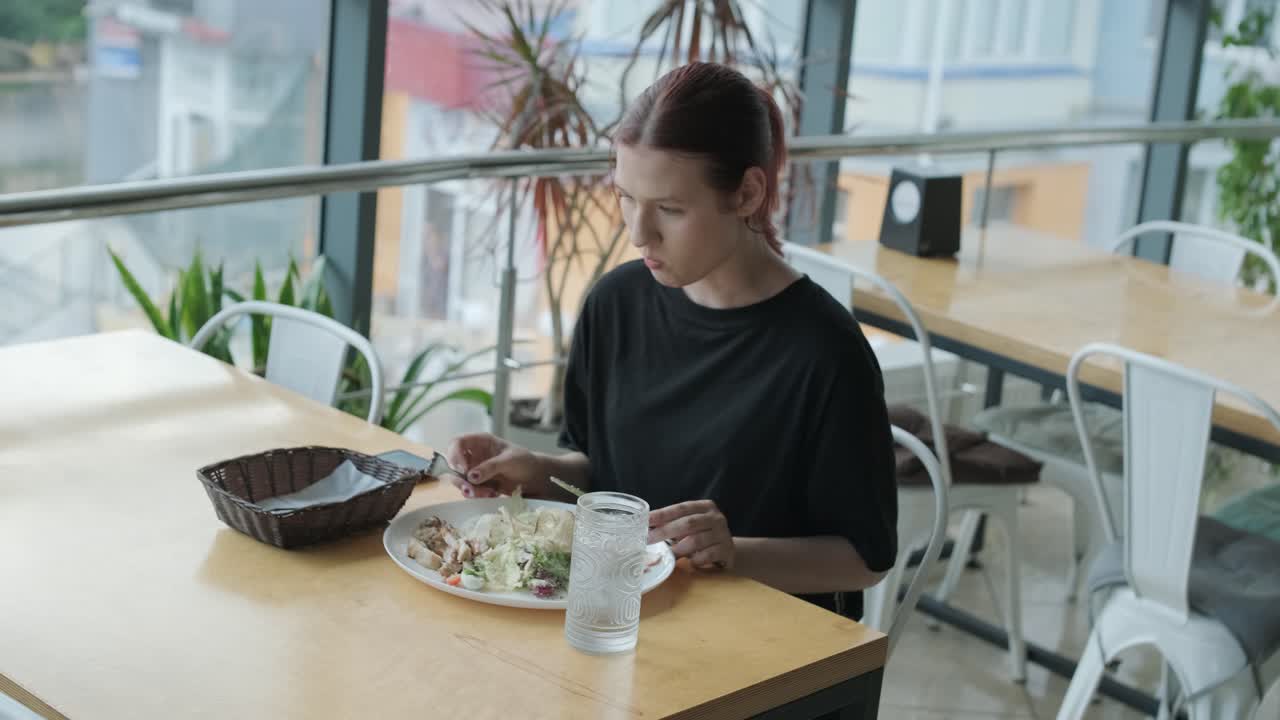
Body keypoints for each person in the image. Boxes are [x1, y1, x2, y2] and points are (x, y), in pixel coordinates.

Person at [445, 61, 897, 619]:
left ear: (748, 193)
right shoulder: (615, 303)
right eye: (626, 198)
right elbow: (602, 476)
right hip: (626, 616)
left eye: (671, 209)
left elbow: (865, 558)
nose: (639, 232)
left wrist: (732, 553)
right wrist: (537, 470)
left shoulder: (825, 353)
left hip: (766, 642)